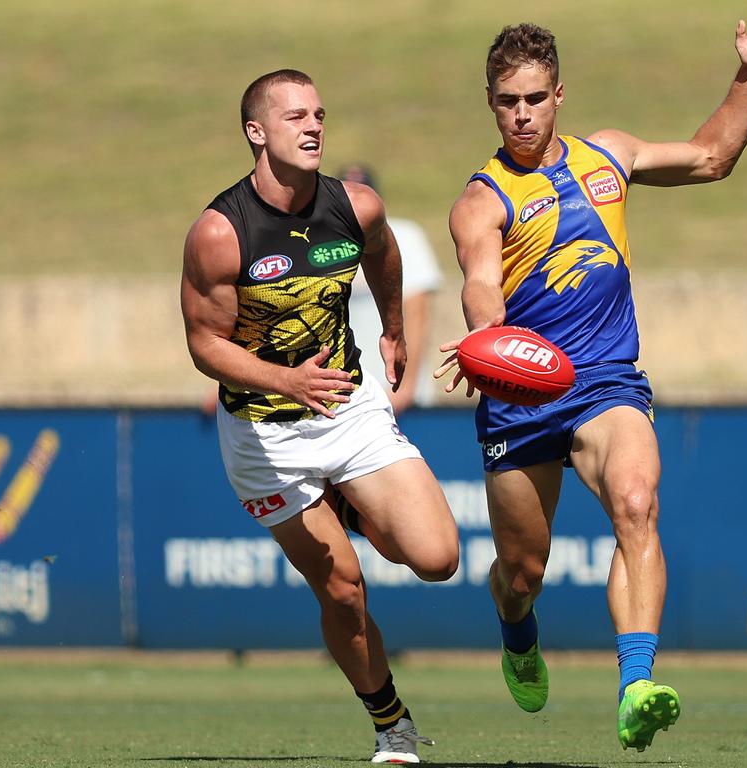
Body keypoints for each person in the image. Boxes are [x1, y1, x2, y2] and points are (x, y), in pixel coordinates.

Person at [435, 2, 747, 753]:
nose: (523, 116)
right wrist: (487, 339)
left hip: (605, 380)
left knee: (637, 503)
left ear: (560, 95)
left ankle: (637, 685)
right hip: (522, 394)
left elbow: (711, 158)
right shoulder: (482, 199)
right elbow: (480, 282)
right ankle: (515, 628)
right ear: (490, 104)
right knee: (522, 570)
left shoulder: (608, 156)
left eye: (535, 99)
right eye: (508, 102)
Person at [180, 68, 458, 765]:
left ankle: (352, 506)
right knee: (341, 588)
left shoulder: (354, 206)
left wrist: (393, 330)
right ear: (256, 132)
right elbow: (204, 343)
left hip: (348, 405)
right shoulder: (220, 233)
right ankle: (391, 722)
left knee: (436, 558)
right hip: (265, 437)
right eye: (296, 116)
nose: (313, 128)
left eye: (320, 115)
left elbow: (385, 258)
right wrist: (283, 380)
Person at [338, 164, 444, 413]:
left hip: (395, 392)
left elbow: (417, 313)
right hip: (343, 396)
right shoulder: (321, 245)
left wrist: (406, 388)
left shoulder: (404, 236)